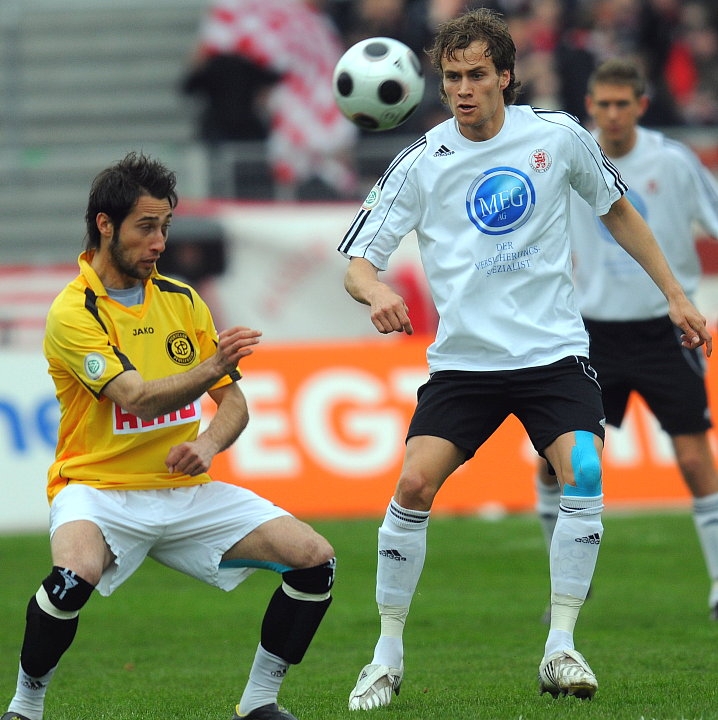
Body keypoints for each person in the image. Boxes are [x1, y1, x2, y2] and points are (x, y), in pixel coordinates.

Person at [336, 8, 711, 709]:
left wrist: (675, 297)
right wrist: (376, 290)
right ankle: (385, 655)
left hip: (553, 354)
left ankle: (561, 646)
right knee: (414, 487)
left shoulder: (559, 138)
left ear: (506, 76)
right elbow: (357, 261)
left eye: (478, 75)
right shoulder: (422, 162)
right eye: (452, 78)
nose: (464, 90)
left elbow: (620, 211)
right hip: (465, 365)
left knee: (586, 468)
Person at [1, 152, 335, 720]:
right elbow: (133, 396)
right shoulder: (73, 312)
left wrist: (207, 445)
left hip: (182, 491)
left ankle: (259, 703)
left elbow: (234, 404)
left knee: (314, 560)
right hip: (98, 488)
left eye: (165, 227)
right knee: (70, 578)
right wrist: (210, 368)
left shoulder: (181, 300)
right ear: (105, 225)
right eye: (146, 227)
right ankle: (25, 706)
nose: (159, 242)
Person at [534, 58, 718, 622]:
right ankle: (566, 584)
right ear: (589, 105)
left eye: (623, 104)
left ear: (641, 105)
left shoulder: (672, 162)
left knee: (693, 458)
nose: (612, 114)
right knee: (556, 462)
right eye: (603, 104)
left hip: (665, 332)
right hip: (590, 335)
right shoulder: (568, 157)